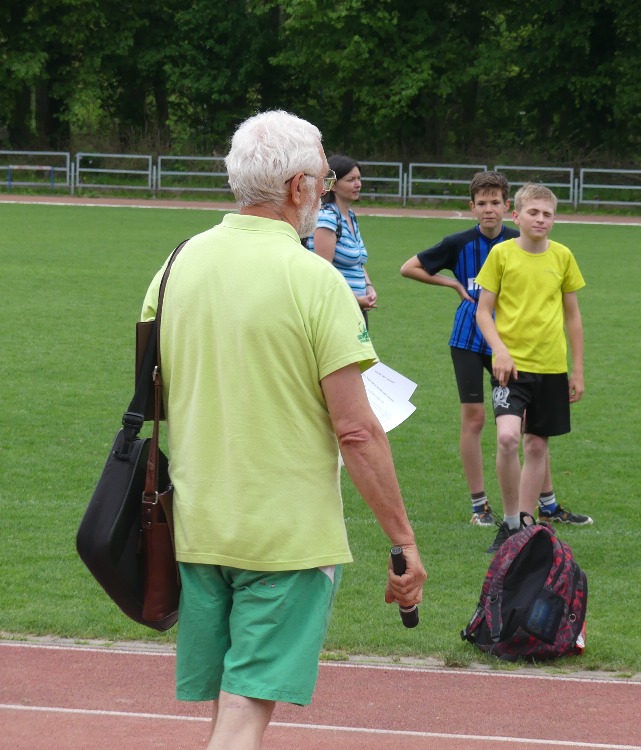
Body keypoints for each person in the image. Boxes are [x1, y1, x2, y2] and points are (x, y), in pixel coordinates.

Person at [140, 110, 425, 750]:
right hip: (286, 535)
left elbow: (159, 394)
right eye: (322, 180)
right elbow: (357, 431)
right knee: (244, 710)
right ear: (298, 188)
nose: (324, 191)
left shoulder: (175, 265)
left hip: (198, 525)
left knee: (229, 703)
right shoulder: (314, 279)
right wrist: (403, 540)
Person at [400, 172, 590, 530]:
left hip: (513, 345)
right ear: (472, 207)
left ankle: (546, 504)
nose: (489, 210)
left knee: (530, 425)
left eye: (495, 203)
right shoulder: (459, 243)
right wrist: (453, 284)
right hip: (469, 340)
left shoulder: (523, 241)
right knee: (476, 418)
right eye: (482, 203)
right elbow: (408, 267)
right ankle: (480, 505)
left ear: (507, 207)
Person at [475, 183, 589, 553]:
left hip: (551, 367)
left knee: (537, 444)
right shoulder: (501, 254)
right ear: (517, 215)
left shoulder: (563, 257)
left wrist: (577, 370)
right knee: (508, 438)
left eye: (547, 214)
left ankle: (525, 525)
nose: (541, 219)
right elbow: (483, 312)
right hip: (510, 368)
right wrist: (499, 351)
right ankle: (510, 522)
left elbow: (573, 316)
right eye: (533, 212)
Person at [304, 154, 378, 326]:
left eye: (359, 178)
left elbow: (358, 262)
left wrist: (369, 288)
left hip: (356, 308)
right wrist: (356, 299)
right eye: (351, 180)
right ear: (334, 185)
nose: (358, 184)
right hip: (337, 310)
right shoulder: (327, 218)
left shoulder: (350, 216)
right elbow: (325, 272)